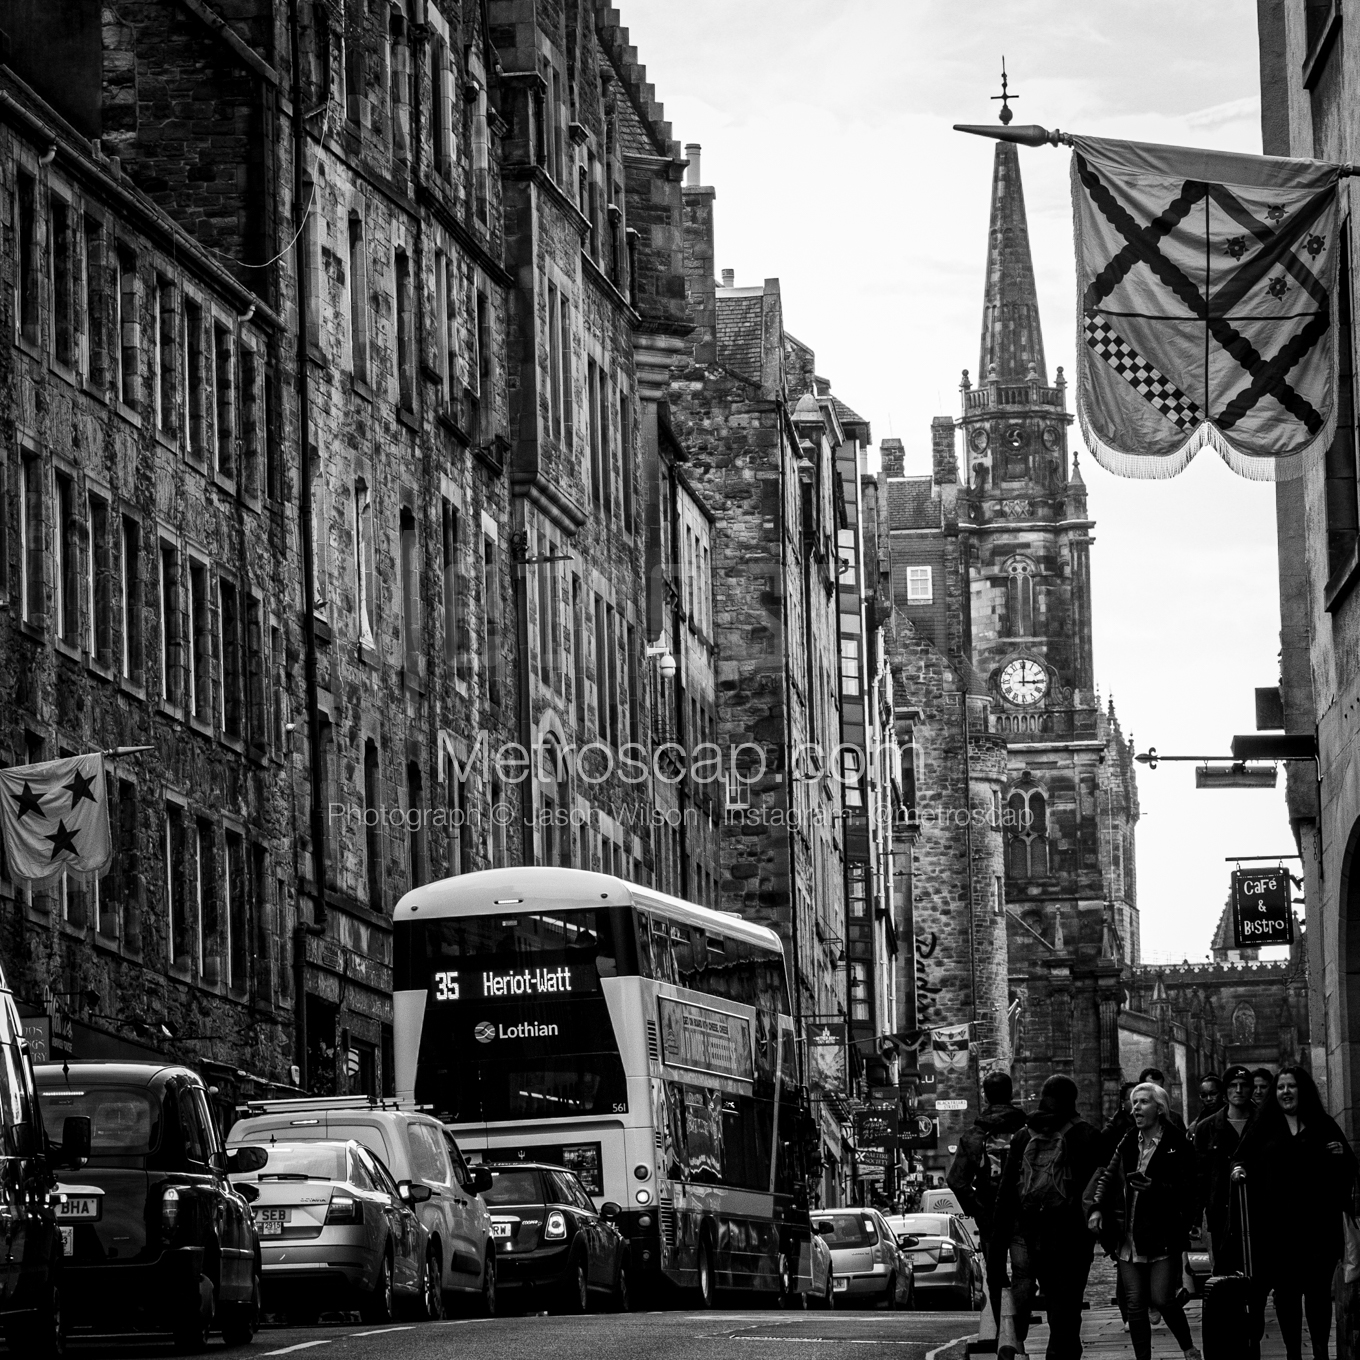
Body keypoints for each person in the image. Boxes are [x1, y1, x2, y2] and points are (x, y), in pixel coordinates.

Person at [1232, 1065, 1357, 1360]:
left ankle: (1319, 1351)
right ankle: (1292, 1354)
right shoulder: (1263, 1125)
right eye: (1280, 1087)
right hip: (1277, 1229)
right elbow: (1241, 1157)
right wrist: (1238, 1169)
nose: (1285, 1092)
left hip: (1318, 1227)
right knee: (1286, 1295)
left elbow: (1349, 1164)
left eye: (1291, 1086)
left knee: (1317, 1294)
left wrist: (1339, 1154)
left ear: (1303, 1090)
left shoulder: (1322, 1123)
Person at [1087, 1083, 1201, 1360]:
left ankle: (1188, 1348)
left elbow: (1191, 1189)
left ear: (1159, 1108)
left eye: (1143, 1102)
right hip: (1128, 1235)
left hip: (1162, 1234)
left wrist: (1157, 1188)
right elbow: (1107, 1176)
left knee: (1162, 1299)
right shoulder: (1128, 1141)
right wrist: (1097, 1208)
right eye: (1133, 1102)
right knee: (1136, 1304)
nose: (1135, 1108)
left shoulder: (1176, 1143)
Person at [993, 1074, 1104, 1360]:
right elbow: (1100, 1190)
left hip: (1035, 1233)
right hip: (1074, 1236)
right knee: (1068, 1301)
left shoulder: (1022, 1136)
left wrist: (997, 1248)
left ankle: (1062, 1347)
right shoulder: (1087, 1135)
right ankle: (1061, 1350)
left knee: (1055, 1296)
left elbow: (1006, 1193)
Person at [946, 1070, 1027, 1329]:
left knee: (995, 1275)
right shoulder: (1028, 1132)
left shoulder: (974, 1136)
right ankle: (1022, 1323)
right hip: (1023, 1213)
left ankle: (1006, 1330)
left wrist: (978, 1211)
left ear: (985, 1096)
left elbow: (956, 1180)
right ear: (1011, 1093)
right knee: (1024, 1270)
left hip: (991, 1216)